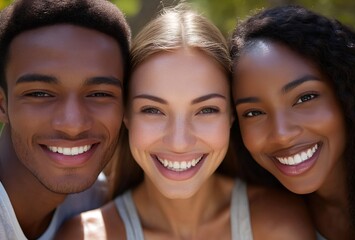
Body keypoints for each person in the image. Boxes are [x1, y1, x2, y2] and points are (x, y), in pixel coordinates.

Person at [56, 4, 316, 240]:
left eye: (206, 110)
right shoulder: (86, 236)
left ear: (231, 116)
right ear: (126, 115)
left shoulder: (279, 224)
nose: (179, 142)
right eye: (152, 110)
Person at [0, 0, 131, 239]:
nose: (73, 124)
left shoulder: (103, 202)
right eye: (40, 94)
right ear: (2, 104)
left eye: (99, 94)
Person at [230, 5, 355, 240]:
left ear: (345, 93)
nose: (282, 134)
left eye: (305, 98)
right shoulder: (256, 220)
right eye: (253, 113)